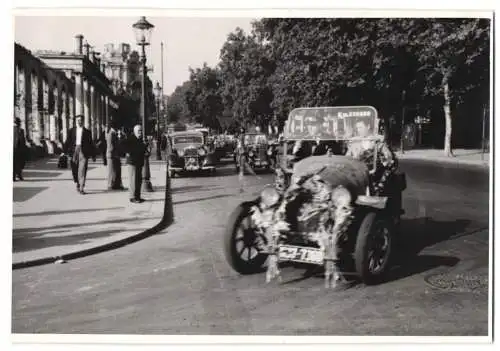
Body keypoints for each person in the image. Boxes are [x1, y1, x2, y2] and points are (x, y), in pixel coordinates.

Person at [345, 118, 398, 195]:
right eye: (357, 128)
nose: (358, 130)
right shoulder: (354, 142)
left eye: (360, 127)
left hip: (374, 173)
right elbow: (347, 157)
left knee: (382, 188)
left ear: (368, 126)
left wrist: (383, 162)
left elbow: (388, 155)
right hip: (357, 172)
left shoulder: (377, 141)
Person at [64, 115, 96, 194]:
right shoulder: (71, 131)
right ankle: (78, 182)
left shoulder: (87, 132)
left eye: (81, 120)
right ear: (76, 121)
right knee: (74, 168)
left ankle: (81, 186)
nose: (79, 121)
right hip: (74, 150)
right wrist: (64, 152)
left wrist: (93, 155)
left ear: (83, 121)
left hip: (83, 151)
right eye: (78, 120)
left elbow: (91, 143)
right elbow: (67, 141)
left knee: (82, 169)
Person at [125, 125, 148, 203]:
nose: (140, 133)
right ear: (134, 132)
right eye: (139, 131)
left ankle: (138, 196)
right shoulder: (131, 139)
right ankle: (132, 197)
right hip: (132, 163)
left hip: (139, 163)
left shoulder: (140, 139)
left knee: (138, 180)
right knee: (133, 180)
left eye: (141, 131)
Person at [106, 120, 124, 190]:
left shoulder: (113, 133)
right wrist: (115, 154)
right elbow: (111, 146)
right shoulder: (111, 134)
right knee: (112, 170)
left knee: (116, 169)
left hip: (113, 154)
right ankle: (110, 185)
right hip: (112, 155)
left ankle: (116, 184)